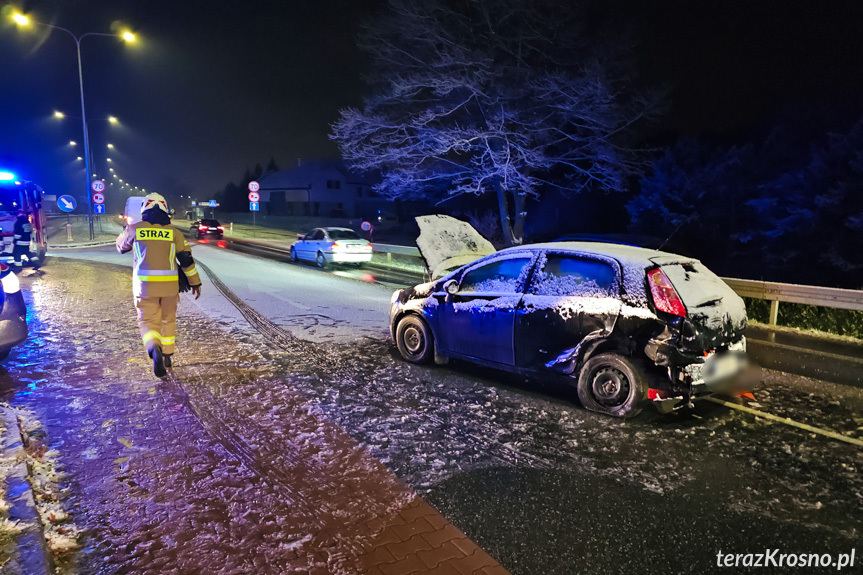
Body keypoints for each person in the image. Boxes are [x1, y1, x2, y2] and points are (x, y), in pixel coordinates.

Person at [116, 193, 201, 377]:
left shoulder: (135, 229)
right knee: (168, 319)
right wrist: (195, 283)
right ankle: (168, 355)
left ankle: (155, 349)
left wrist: (126, 231)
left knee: (147, 321)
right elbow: (186, 260)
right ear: (165, 210)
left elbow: (120, 246)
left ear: (144, 210)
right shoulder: (174, 233)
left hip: (145, 288)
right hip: (170, 288)